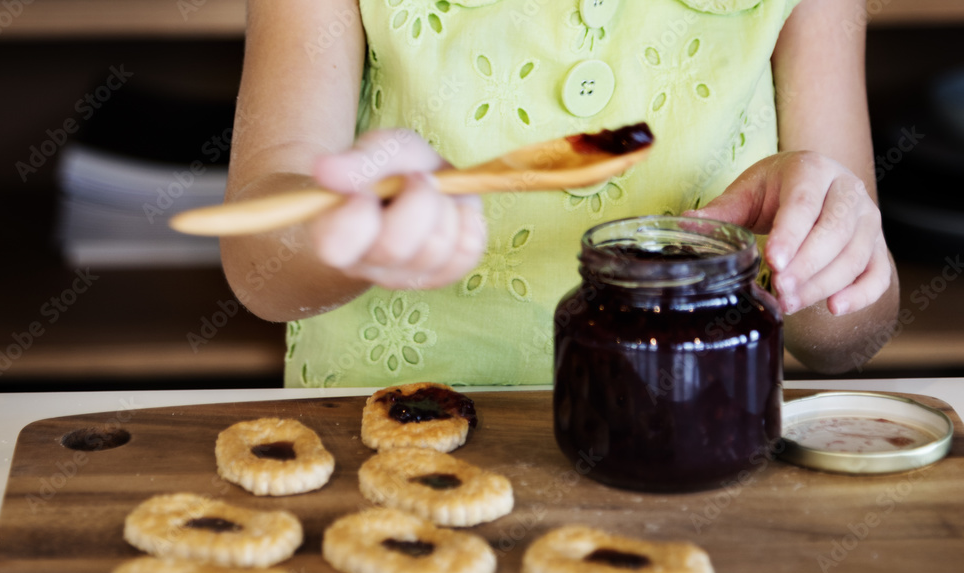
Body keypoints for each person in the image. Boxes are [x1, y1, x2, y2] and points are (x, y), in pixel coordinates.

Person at [221, 0, 899, 388]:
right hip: (381, 443)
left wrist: (822, 252)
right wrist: (346, 224)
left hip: (701, 439)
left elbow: (850, 332)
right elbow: (260, 265)